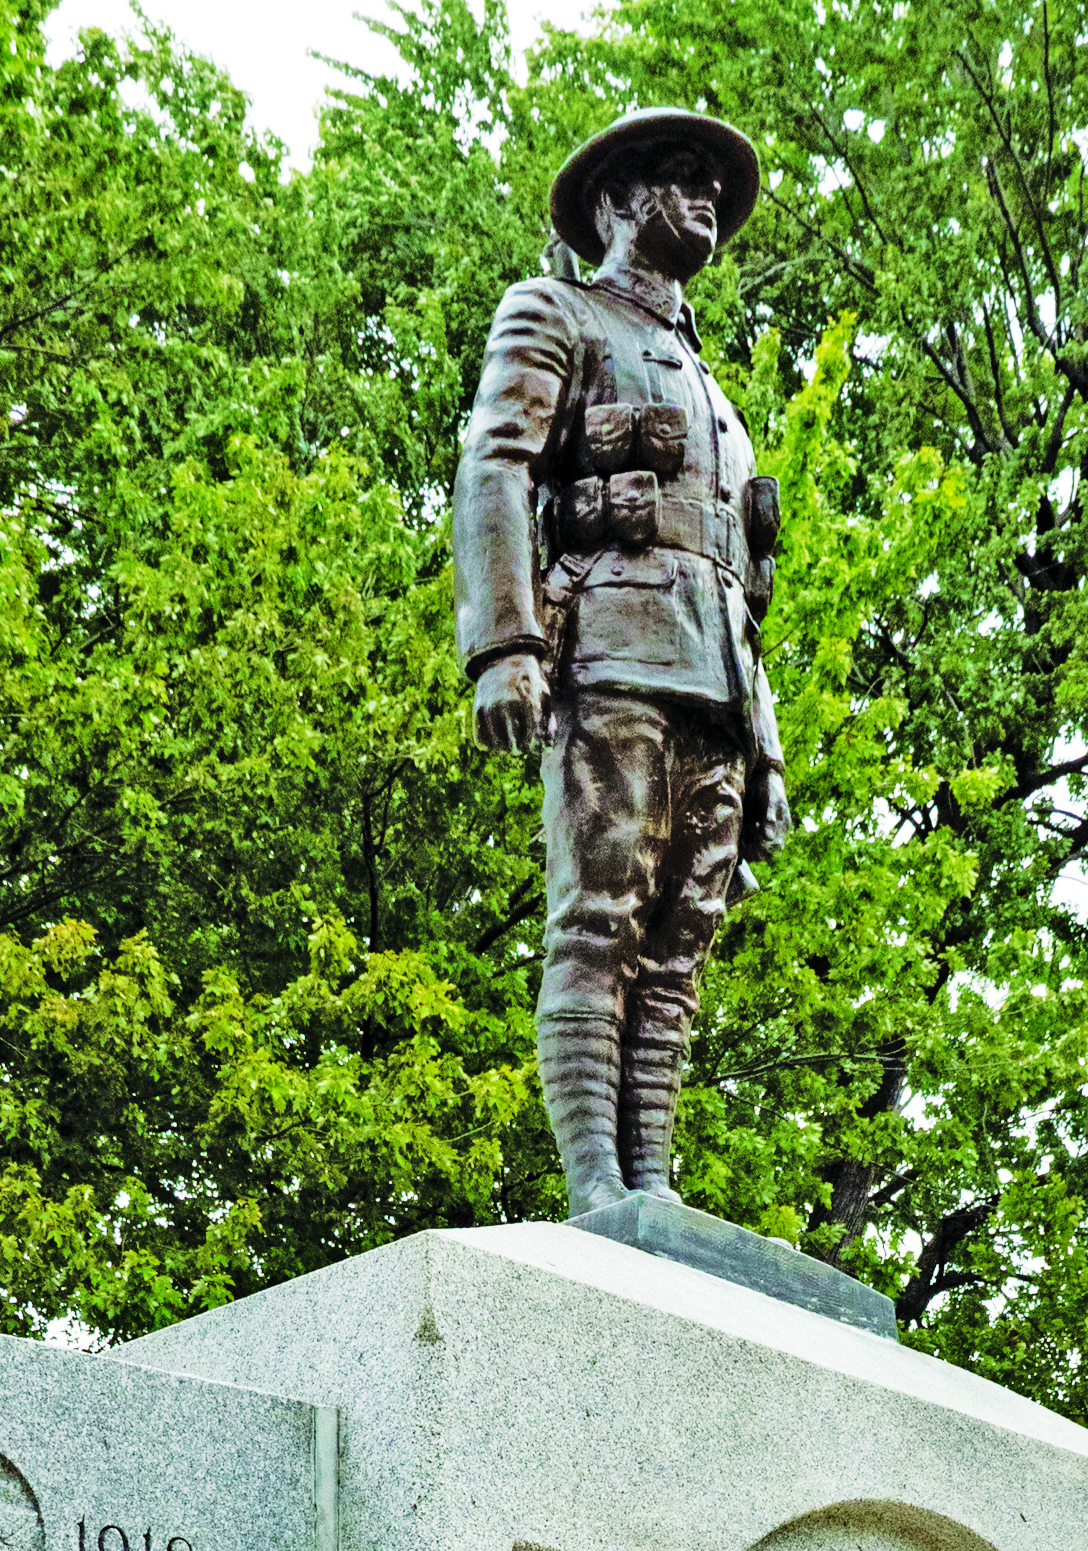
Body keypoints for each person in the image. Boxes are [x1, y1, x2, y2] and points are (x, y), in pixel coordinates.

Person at [454, 107, 790, 1219]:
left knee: (678, 945)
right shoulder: (555, 314)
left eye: (711, 184)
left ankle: (652, 1184)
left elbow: (740, 574)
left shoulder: (716, 394)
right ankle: (597, 1184)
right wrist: (502, 643)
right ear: (613, 202)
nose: (703, 198)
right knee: (598, 918)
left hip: (717, 687)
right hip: (611, 654)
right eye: (677, 177)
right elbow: (495, 466)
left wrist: (767, 746)